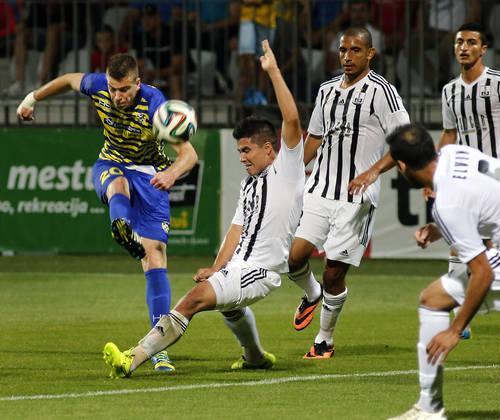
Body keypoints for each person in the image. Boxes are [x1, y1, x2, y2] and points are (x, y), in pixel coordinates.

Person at [102, 39, 305, 378]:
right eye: (238, 152)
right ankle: (255, 357)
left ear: (270, 149)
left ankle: (133, 357)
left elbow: (292, 119)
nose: (242, 158)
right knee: (230, 309)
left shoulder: (288, 170)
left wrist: (272, 72)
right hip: (240, 266)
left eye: (247, 151)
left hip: (262, 270)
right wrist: (217, 267)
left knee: (192, 300)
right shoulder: (249, 185)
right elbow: (236, 229)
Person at [16, 53, 198, 373]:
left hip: (151, 174)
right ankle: (121, 224)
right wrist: (32, 98)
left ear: (137, 83)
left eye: (124, 89)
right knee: (116, 185)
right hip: (110, 162)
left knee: (155, 257)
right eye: (113, 89)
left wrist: (171, 174)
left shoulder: (155, 104)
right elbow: (68, 80)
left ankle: (158, 348)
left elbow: (189, 155)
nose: (117, 96)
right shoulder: (98, 86)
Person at [287, 26, 410, 358]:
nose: (347, 56)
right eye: (343, 50)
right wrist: (289, 174)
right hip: (319, 189)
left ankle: (324, 339)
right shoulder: (326, 90)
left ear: (370, 53)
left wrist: (373, 172)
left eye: (355, 50)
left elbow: (404, 140)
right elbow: (314, 138)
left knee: (333, 272)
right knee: (293, 257)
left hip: (356, 199)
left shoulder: (383, 92)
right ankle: (312, 294)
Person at [386, 123, 500, 420]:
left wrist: (454, 330)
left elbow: (483, 273)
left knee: (433, 299)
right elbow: (485, 200)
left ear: (402, 166)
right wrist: (441, 229)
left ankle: (429, 409)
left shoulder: (447, 203)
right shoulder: (454, 153)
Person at [438, 22, 500, 334]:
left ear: (484, 49)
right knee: (460, 245)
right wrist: (437, 173)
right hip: (465, 183)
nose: (464, 47)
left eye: (472, 42)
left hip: (499, 185)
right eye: (459, 42)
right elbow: (449, 134)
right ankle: (461, 315)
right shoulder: (449, 91)